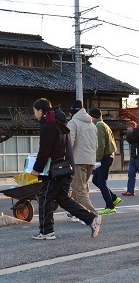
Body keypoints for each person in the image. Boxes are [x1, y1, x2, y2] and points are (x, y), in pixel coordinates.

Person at [31, 98, 101, 240]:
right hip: (66, 166)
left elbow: (45, 150)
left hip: (55, 168)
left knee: (45, 198)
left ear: (40, 111)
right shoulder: (59, 122)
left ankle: (46, 232)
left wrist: (37, 169)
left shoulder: (48, 124)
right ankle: (91, 218)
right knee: (63, 199)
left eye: (34, 111)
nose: (34, 115)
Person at [66, 100, 98, 223]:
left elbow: (70, 143)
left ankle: (93, 215)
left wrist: (66, 158)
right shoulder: (92, 125)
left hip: (78, 160)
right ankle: (74, 213)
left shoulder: (73, 123)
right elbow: (96, 145)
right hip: (90, 160)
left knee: (79, 189)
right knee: (79, 187)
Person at [89, 107, 122, 214]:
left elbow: (100, 145)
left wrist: (97, 160)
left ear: (92, 116)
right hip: (108, 156)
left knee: (101, 182)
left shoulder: (98, 126)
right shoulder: (103, 124)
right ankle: (113, 198)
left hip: (104, 157)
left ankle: (110, 206)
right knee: (95, 180)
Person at [124, 121, 139, 196]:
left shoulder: (135, 133)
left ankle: (130, 191)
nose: (127, 128)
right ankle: (130, 191)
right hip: (133, 156)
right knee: (131, 174)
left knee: (131, 174)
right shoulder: (132, 134)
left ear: (132, 127)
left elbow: (129, 139)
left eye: (128, 127)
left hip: (137, 156)